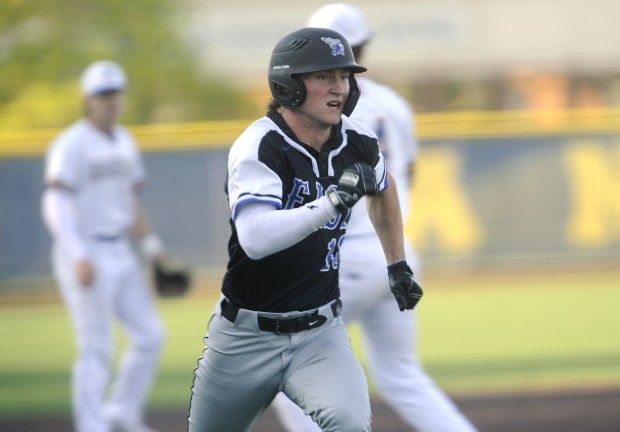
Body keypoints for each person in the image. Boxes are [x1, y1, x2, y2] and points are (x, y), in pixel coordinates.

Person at [187, 27, 422, 432]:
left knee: (349, 424)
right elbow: (257, 239)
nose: (340, 88)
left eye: (345, 76)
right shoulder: (261, 144)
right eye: (324, 77)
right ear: (288, 85)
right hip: (244, 337)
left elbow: (383, 189)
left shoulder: (359, 139)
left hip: (320, 332)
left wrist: (396, 263)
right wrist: (331, 201)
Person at [272, 4, 479, 432]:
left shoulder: (314, 110)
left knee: (282, 369)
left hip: (340, 260)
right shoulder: (394, 106)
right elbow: (405, 179)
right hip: (395, 255)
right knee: (403, 376)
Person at [42, 60, 166, 432]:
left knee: (150, 335)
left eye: (115, 94)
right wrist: (78, 253)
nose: (110, 101)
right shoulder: (72, 143)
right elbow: (55, 201)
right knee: (97, 347)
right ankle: (91, 424)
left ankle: (122, 413)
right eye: (102, 95)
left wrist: (152, 248)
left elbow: (129, 203)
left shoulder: (125, 139)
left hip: (120, 251)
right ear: (88, 100)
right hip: (86, 250)